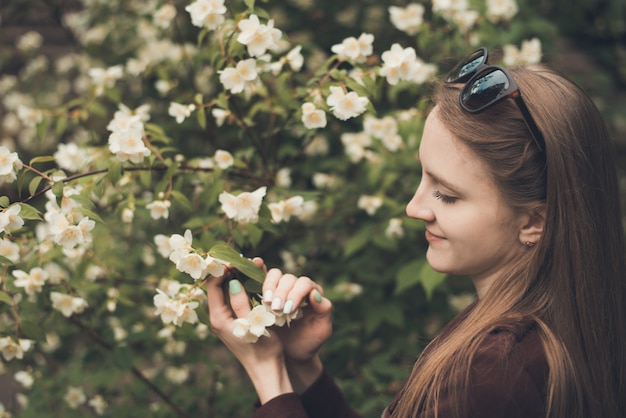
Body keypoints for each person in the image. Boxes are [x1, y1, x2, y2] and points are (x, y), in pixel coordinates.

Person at [205, 48, 626, 418]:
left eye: (446, 194)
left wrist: (269, 377)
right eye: (422, 177)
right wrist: (302, 370)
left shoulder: (497, 370)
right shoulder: (530, 334)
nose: (413, 207)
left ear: (534, 220)